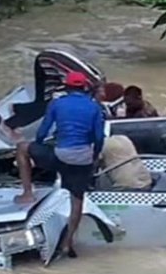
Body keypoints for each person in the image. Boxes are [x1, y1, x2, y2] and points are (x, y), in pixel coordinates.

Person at [13, 72, 105, 260]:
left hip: (61, 155)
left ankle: (27, 193)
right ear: (85, 87)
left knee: (22, 148)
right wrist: (94, 156)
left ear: (68, 87)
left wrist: (39, 145)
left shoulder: (57, 104)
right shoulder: (94, 107)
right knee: (77, 200)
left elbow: (43, 130)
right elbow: (99, 137)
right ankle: (67, 243)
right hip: (83, 159)